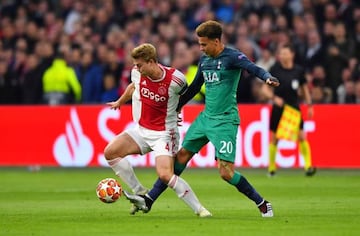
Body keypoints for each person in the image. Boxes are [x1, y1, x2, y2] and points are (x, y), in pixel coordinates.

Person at [124, 20, 279, 217]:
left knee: (226, 173)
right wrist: (176, 108)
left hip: (225, 120)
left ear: (216, 41)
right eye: (199, 44)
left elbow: (252, 67)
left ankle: (262, 203)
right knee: (180, 157)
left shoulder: (232, 57)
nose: (201, 48)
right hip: (205, 118)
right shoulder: (204, 61)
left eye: (204, 44)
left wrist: (266, 76)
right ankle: (149, 199)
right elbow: (195, 87)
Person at [104, 43, 211, 217]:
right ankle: (139, 191)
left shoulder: (176, 79)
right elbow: (133, 86)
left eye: (139, 64)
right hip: (142, 130)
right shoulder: (137, 73)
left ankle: (200, 209)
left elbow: (186, 95)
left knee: (165, 175)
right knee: (111, 152)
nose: (135, 68)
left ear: (152, 61)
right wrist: (120, 102)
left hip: (164, 134)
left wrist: (177, 110)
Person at [265, 43, 316, 177]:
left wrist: (309, 105)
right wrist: (274, 98)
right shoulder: (275, 70)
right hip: (279, 107)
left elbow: (305, 90)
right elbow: (264, 89)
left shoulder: (298, 71)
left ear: (292, 54)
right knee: (275, 138)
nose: (282, 56)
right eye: (281, 53)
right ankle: (271, 168)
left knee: (301, 136)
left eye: (285, 53)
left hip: (293, 107)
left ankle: (308, 166)